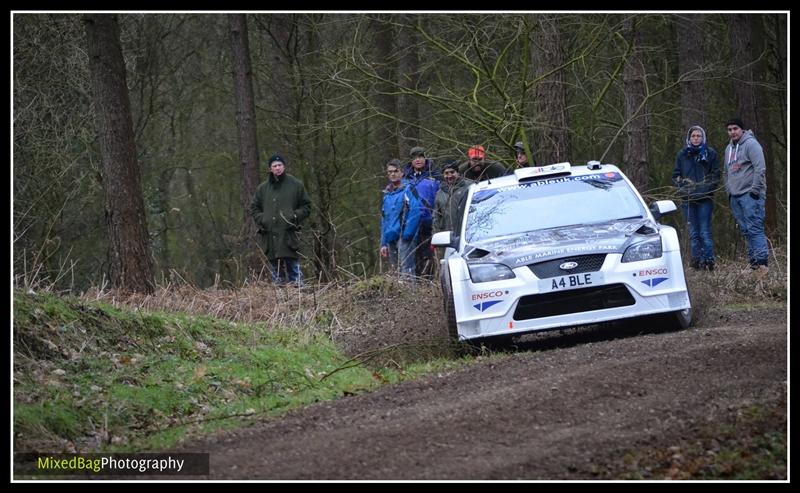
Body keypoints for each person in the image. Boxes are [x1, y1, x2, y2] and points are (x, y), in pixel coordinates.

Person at [249, 153, 312, 286]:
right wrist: (263, 219)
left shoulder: (296, 185)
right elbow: (254, 208)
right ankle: (280, 302)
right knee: (277, 275)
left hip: (289, 234)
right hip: (270, 236)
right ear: (270, 169)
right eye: (274, 166)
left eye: (279, 165)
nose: (277, 168)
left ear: (284, 166)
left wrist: (293, 217)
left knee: (294, 271)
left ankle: (301, 298)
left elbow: (306, 206)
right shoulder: (262, 189)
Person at [723, 117, 769, 275]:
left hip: (751, 195)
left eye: (735, 128)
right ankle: (754, 264)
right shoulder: (728, 149)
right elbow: (726, 172)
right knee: (746, 231)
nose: (732, 132)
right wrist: (729, 192)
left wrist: (755, 190)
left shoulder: (751, 144)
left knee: (754, 229)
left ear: (741, 129)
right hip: (735, 197)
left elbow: (760, 168)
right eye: (729, 129)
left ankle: (763, 265)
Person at [672, 126, 720, 271]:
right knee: (693, 232)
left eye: (699, 136)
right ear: (689, 138)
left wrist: (705, 189)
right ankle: (696, 261)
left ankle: (709, 261)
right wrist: (683, 186)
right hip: (687, 199)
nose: (696, 138)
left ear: (703, 137)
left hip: (705, 198)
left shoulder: (710, 153)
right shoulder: (683, 154)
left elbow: (716, 175)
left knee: (704, 231)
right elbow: (676, 175)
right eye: (693, 136)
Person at [402, 146, 440, 279]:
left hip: (428, 222)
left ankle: (428, 282)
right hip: (410, 224)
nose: (418, 160)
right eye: (414, 157)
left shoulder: (434, 175)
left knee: (428, 255)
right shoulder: (405, 178)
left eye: (420, 157)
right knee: (411, 256)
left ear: (425, 158)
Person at [380, 159, 421, 278]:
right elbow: (384, 219)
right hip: (391, 237)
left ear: (402, 172)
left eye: (395, 171)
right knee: (395, 272)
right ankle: (401, 296)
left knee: (406, 270)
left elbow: (415, 211)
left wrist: (407, 234)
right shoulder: (387, 195)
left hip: (404, 236)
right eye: (389, 172)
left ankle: (411, 296)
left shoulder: (408, 189)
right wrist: (383, 243)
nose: (392, 174)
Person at [433, 160, 474, 237]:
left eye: (452, 172)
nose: (449, 175)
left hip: (468, 233)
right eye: (446, 173)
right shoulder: (439, 193)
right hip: (448, 236)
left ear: (458, 173)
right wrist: (435, 236)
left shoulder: (470, 187)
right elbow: (436, 218)